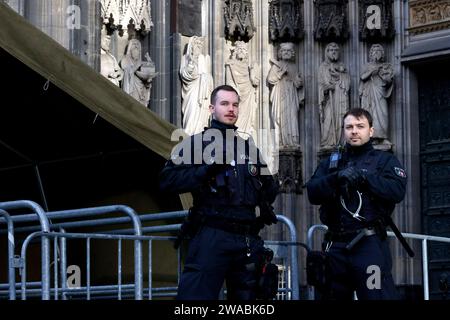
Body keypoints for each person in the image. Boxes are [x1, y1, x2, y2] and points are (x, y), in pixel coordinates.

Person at [159, 85, 279, 300]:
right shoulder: (196, 144)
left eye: (235, 104)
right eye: (224, 104)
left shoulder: (249, 148)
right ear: (211, 108)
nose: (231, 109)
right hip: (212, 235)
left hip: (247, 239)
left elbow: (269, 188)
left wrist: (267, 193)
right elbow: (167, 181)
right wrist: (206, 171)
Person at [306, 108, 407, 300]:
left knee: (375, 295)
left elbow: (396, 191)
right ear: (343, 131)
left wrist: (364, 178)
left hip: (369, 246)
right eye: (349, 127)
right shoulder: (331, 163)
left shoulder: (385, 161)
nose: (354, 131)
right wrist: (336, 178)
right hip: (335, 246)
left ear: (371, 130)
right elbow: (312, 192)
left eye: (360, 126)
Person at [267, 42, 303, 148]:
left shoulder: (294, 67)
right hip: (279, 95)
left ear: (292, 53)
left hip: (291, 95)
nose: (286, 53)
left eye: (288, 51)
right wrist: (281, 73)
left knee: (292, 117)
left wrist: (298, 81)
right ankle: (280, 141)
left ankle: (292, 141)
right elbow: (270, 79)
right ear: (280, 53)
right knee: (279, 117)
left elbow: (297, 84)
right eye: (284, 51)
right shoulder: (276, 66)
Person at [359, 44, 394, 145]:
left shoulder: (386, 66)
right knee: (369, 115)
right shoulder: (367, 66)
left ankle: (383, 137)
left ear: (382, 54)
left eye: (378, 51)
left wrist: (382, 74)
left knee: (382, 114)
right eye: (374, 51)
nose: (376, 53)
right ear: (371, 54)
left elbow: (389, 81)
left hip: (380, 93)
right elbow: (362, 77)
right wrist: (372, 71)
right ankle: (371, 138)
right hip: (369, 94)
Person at [318, 42, 350, 150]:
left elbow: (347, 84)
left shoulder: (342, 67)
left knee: (341, 119)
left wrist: (340, 76)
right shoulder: (323, 67)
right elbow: (320, 85)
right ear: (327, 52)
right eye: (331, 50)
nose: (333, 52)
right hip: (329, 100)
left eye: (335, 50)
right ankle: (328, 141)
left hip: (340, 98)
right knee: (328, 119)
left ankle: (341, 142)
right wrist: (326, 88)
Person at [225, 41, 260, 139]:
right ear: (235, 51)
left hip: (248, 92)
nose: (241, 51)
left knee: (247, 115)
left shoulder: (248, 66)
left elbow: (255, 82)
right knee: (237, 112)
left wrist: (253, 73)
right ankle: (236, 132)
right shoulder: (230, 64)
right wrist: (235, 90)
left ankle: (245, 132)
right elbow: (229, 81)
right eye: (239, 49)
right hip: (237, 94)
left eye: (244, 49)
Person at [180, 36, 214, 135]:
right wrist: (191, 63)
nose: (199, 47)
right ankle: (190, 134)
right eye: (197, 45)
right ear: (191, 46)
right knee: (191, 114)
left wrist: (206, 78)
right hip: (192, 92)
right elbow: (184, 74)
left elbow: (208, 76)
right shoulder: (186, 58)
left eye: (200, 45)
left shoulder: (203, 59)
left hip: (203, 94)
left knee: (201, 118)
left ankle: (199, 133)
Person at [120, 39, 158, 107]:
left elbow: (146, 79)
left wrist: (148, 81)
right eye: (134, 46)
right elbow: (127, 72)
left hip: (142, 91)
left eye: (138, 48)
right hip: (132, 89)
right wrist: (136, 66)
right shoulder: (126, 60)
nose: (136, 47)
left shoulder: (141, 63)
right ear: (130, 50)